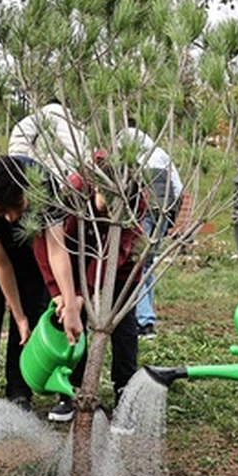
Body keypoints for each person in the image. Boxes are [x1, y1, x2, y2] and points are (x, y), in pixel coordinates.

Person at [0, 155, 79, 421]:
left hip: (31, 237)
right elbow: (1, 265)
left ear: (26, 191)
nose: (11, 218)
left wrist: (70, 302)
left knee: (32, 300)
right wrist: (18, 317)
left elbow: (57, 251)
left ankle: (19, 392)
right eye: (1, 211)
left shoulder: (44, 186)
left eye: (15, 207)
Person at [32, 158, 142, 417]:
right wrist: (62, 293)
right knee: (70, 317)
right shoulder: (72, 192)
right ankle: (70, 391)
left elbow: (116, 254)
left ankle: (124, 390)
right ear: (96, 188)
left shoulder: (136, 198)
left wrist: (86, 291)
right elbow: (44, 242)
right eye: (108, 203)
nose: (113, 210)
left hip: (120, 261)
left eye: (120, 205)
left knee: (123, 322)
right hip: (72, 257)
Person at [120, 122, 181, 338]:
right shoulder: (160, 152)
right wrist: (171, 218)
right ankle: (145, 318)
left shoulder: (125, 145)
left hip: (144, 208)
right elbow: (178, 187)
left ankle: (144, 321)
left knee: (138, 264)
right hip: (164, 207)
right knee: (149, 263)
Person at [7, 101, 87, 178]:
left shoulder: (53, 114)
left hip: (43, 178)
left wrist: (17, 167)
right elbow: (75, 153)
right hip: (62, 179)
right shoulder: (60, 115)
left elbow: (20, 136)